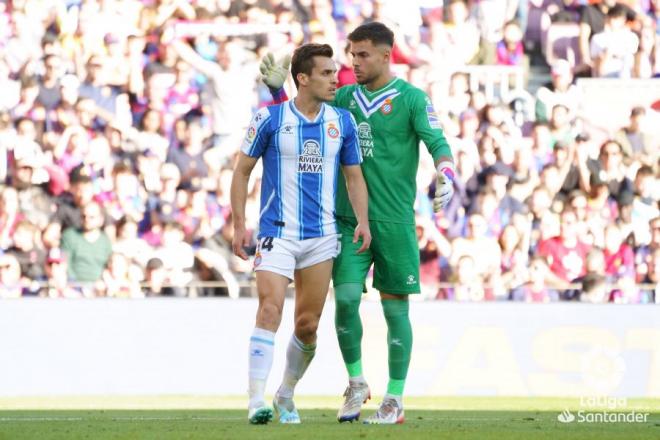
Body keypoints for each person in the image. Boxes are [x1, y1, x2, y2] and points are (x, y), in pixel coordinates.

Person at [260, 22, 455, 424]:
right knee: (346, 300)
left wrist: (446, 174)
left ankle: (395, 398)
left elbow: (438, 142)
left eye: (362, 54)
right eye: (351, 54)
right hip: (348, 222)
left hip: (396, 220)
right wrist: (280, 93)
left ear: (386, 55)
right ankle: (356, 383)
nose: (353, 62)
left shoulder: (412, 99)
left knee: (395, 308)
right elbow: (301, 117)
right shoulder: (344, 97)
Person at [231, 43, 370, 425]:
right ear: (303, 78)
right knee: (270, 309)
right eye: (327, 73)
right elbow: (241, 171)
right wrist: (239, 223)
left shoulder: (342, 122)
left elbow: (353, 176)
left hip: (322, 237)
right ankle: (256, 400)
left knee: (307, 326)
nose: (335, 79)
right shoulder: (270, 119)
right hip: (277, 232)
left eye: (335, 72)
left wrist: (363, 220)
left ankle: (285, 393)